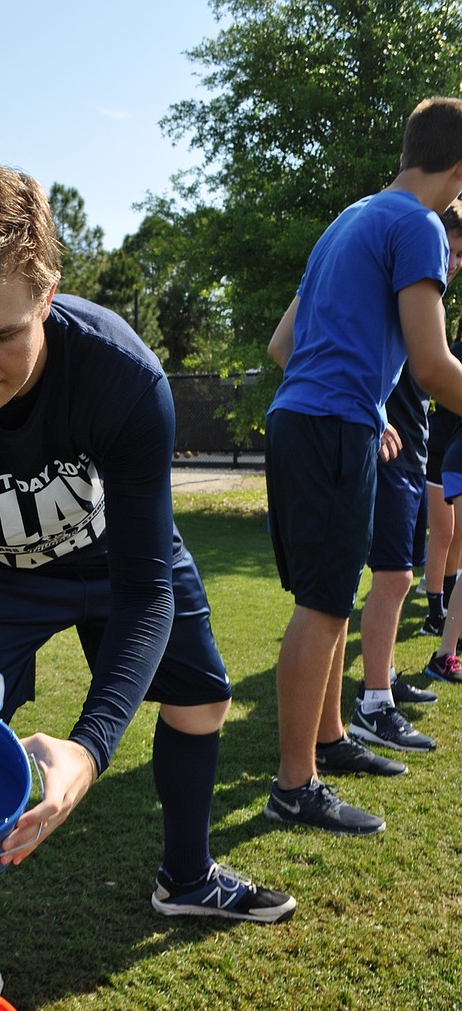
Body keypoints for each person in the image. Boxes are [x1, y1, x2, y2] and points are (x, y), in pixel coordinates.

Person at [0, 160, 296, 993]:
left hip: (113, 556)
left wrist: (90, 752)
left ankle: (188, 878)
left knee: (202, 699)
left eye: (1, 335)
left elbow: (144, 588)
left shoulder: (123, 378)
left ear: (47, 292)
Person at [263, 96, 462, 837]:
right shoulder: (418, 226)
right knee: (321, 605)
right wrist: (360, 403)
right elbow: (436, 368)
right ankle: (294, 787)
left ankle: (328, 742)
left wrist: (369, 406)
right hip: (329, 428)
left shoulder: (355, 215)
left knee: (330, 595)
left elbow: (286, 344)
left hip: (306, 419)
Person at [345, 205, 462, 755]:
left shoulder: (426, 293)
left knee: (398, 577)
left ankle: (384, 677)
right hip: (391, 455)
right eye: (453, 250)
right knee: (391, 579)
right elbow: (427, 369)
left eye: (461, 256)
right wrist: (378, 414)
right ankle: (373, 705)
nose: (454, 263)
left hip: (415, 453)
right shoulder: (403, 277)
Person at [420, 311, 462, 637]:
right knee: (444, 533)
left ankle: (446, 604)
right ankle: (435, 614)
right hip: (439, 451)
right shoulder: (455, 353)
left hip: (450, 453)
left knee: (453, 535)